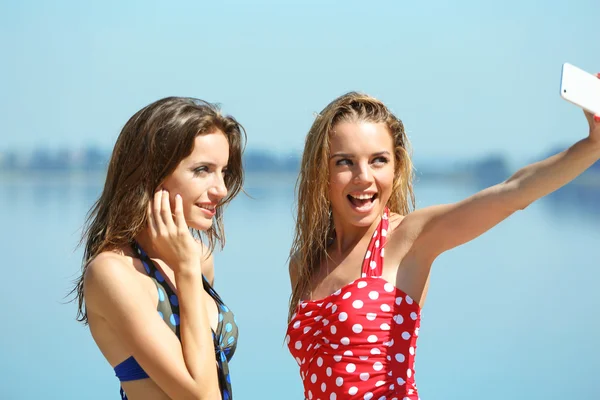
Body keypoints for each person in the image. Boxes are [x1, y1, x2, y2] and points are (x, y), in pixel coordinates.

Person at [286, 77, 600, 400]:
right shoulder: (305, 264)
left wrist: (593, 146)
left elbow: (512, 194)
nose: (364, 177)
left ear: (396, 169)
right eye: (345, 162)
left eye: (378, 160)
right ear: (321, 173)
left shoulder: (407, 240)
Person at [72, 97, 245, 400]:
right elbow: (200, 395)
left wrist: (189, 265)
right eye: (202, 170)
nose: (220, 189)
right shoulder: (111, 272)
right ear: (151, 174)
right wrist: (187, 271)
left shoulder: (198, 258)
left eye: (223, 171)